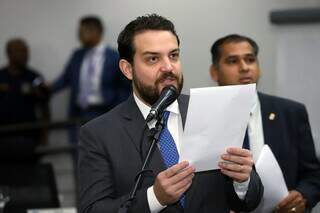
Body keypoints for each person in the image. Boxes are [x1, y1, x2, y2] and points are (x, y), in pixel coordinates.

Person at [78, 14, 263, 213]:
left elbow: (249, 200)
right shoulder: (99, 133)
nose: (168, 67)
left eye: (173, 55)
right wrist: (154, 198)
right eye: (153, 58)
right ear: (127, 69)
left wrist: (243, 180)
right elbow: (93, 209)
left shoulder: (213, 111)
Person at [209, 34, 320, 213]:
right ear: (214, 72)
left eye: (250, 60)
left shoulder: (291, 112)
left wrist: (302, 196)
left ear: (259, 68)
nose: (244, 68)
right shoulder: (201, 115)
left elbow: (313, 174)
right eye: (232, 61)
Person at [49, 15, 131, 144]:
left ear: (95, 31)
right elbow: (65, 79)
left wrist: (119, 113)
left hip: (104, 113)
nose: (79, 36)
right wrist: (47, 88)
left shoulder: (114, 57)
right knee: (79, 155)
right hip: (78, 115)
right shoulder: (77, 55)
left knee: (105, 153)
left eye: (82, 31)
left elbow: (126, 87)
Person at [0, 38, 50, 163]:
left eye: (27, 51)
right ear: (10, 54)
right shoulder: (1, 77)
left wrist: (44, 135)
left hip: (29, 139)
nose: (26, 55)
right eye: (21, 51)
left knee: (29, 179)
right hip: (3, 138)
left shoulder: (34, 77)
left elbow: (44, 108)